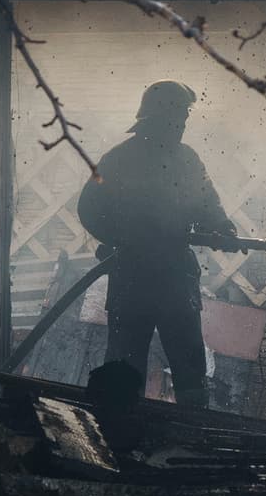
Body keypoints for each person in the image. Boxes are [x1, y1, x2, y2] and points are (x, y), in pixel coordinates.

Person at [76, 80, 237, 408]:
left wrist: (222, 228)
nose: (184, 122)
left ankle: (190, 427)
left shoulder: (186, 159)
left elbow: (207, 204)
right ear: (161, 116)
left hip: (171, 275)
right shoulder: (119, 160)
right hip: (134, 274)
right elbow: (89, 209)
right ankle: (122, 427)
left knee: (188, 364)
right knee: (124, 366)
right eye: (180, 115)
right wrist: (122, 239)